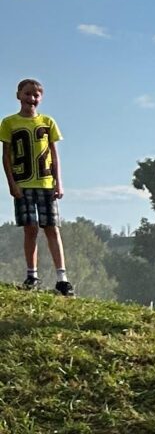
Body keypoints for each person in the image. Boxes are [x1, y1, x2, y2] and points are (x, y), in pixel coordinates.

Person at [4, 80, 73, 294]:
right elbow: (6, 156)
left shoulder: (47, 122)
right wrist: (12, 184)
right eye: (27, 94)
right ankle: (32, 275)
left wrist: (58, 182)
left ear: (41, 98)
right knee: (30, 228)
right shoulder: (9, 123)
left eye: (36, 95)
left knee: (52, 228)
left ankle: (62, 278)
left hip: (46, 183)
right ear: (18, 95)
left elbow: (54, 154)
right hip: (23, 183)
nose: (31, 98)